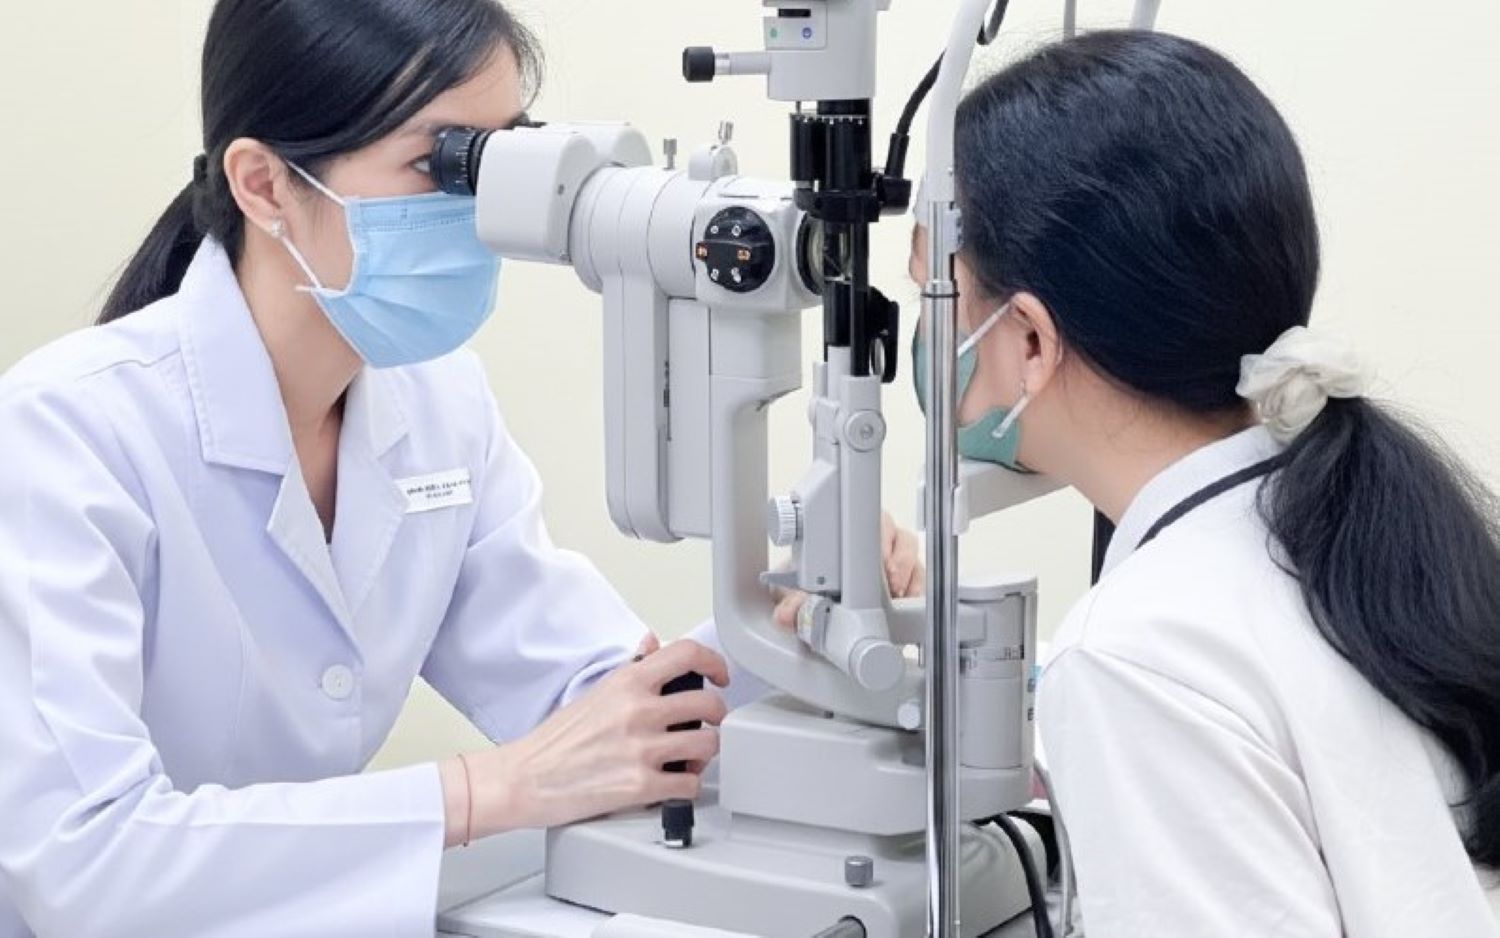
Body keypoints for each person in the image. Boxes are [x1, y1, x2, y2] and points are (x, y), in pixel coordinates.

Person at [0, 2, 921, 935]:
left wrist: (788, 618)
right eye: (443, 161)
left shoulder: (438, 405)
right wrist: (483, 792)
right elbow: (84, 864)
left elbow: (604, 714)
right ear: (265, 184)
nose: (482, 203)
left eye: (501, 155)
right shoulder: (68, 433)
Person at [911, 29, 1500, 938]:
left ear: (1029, 340)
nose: (928, 334)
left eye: (940, 293)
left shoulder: (1136, 656)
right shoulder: (1356, 528)